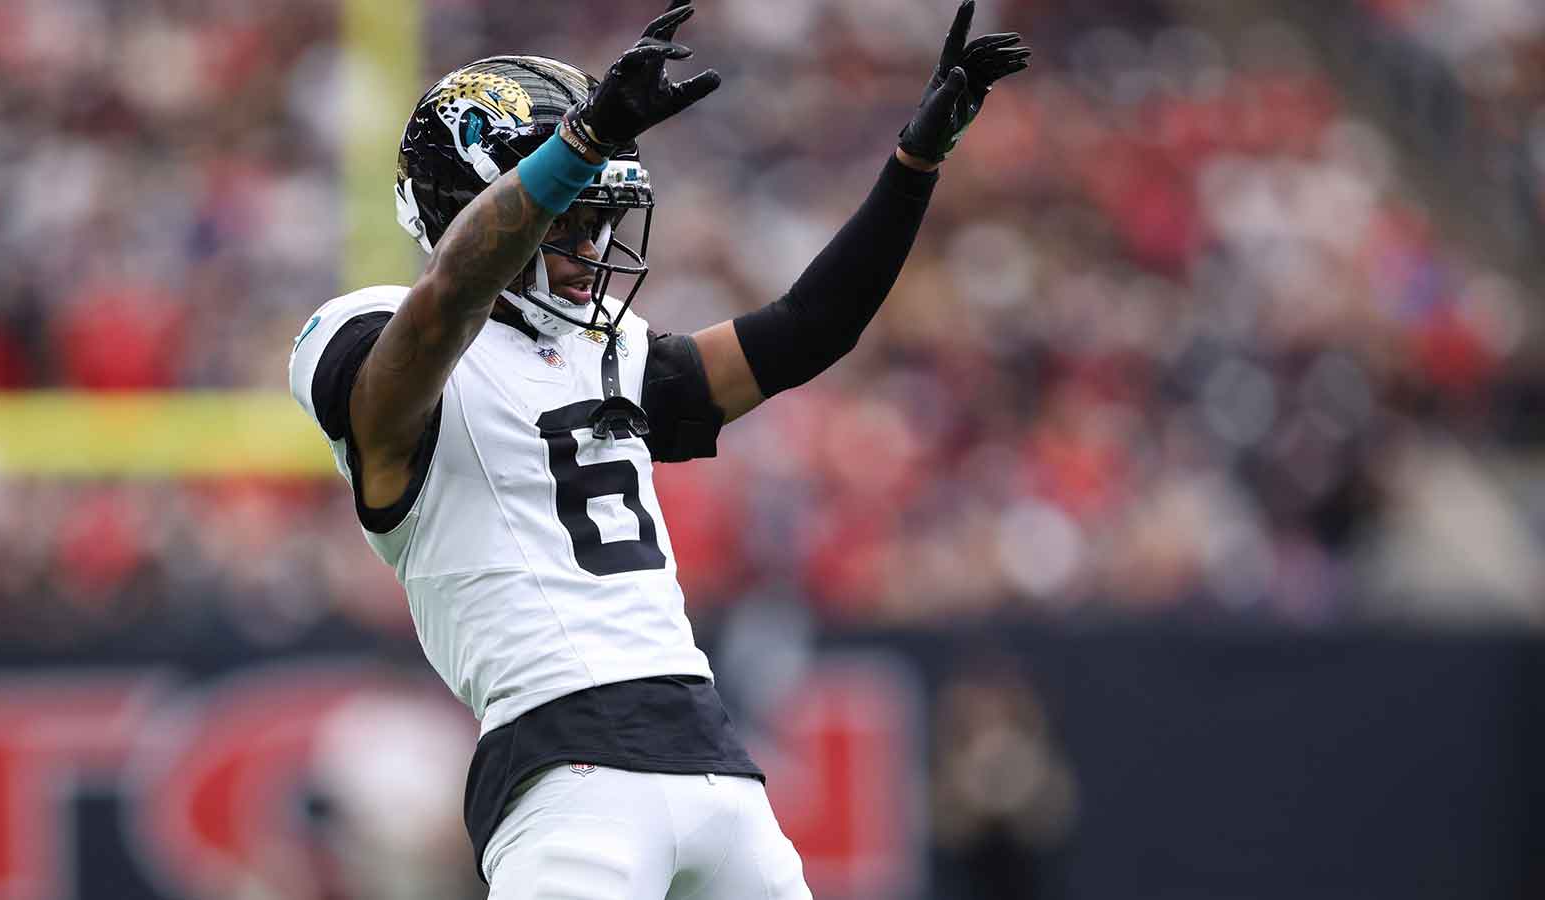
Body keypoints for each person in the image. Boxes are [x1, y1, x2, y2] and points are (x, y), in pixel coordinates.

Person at [287, 1, 1030, 896]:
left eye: (598, 217)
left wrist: (914, 164)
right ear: (464, 202)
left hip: (712, 765)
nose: (591, 244)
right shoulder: (363, 338)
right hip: (568, 772)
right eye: (569, 216)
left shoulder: (609, 353)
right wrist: (580, 141)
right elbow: (449, 297)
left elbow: (805, 330)